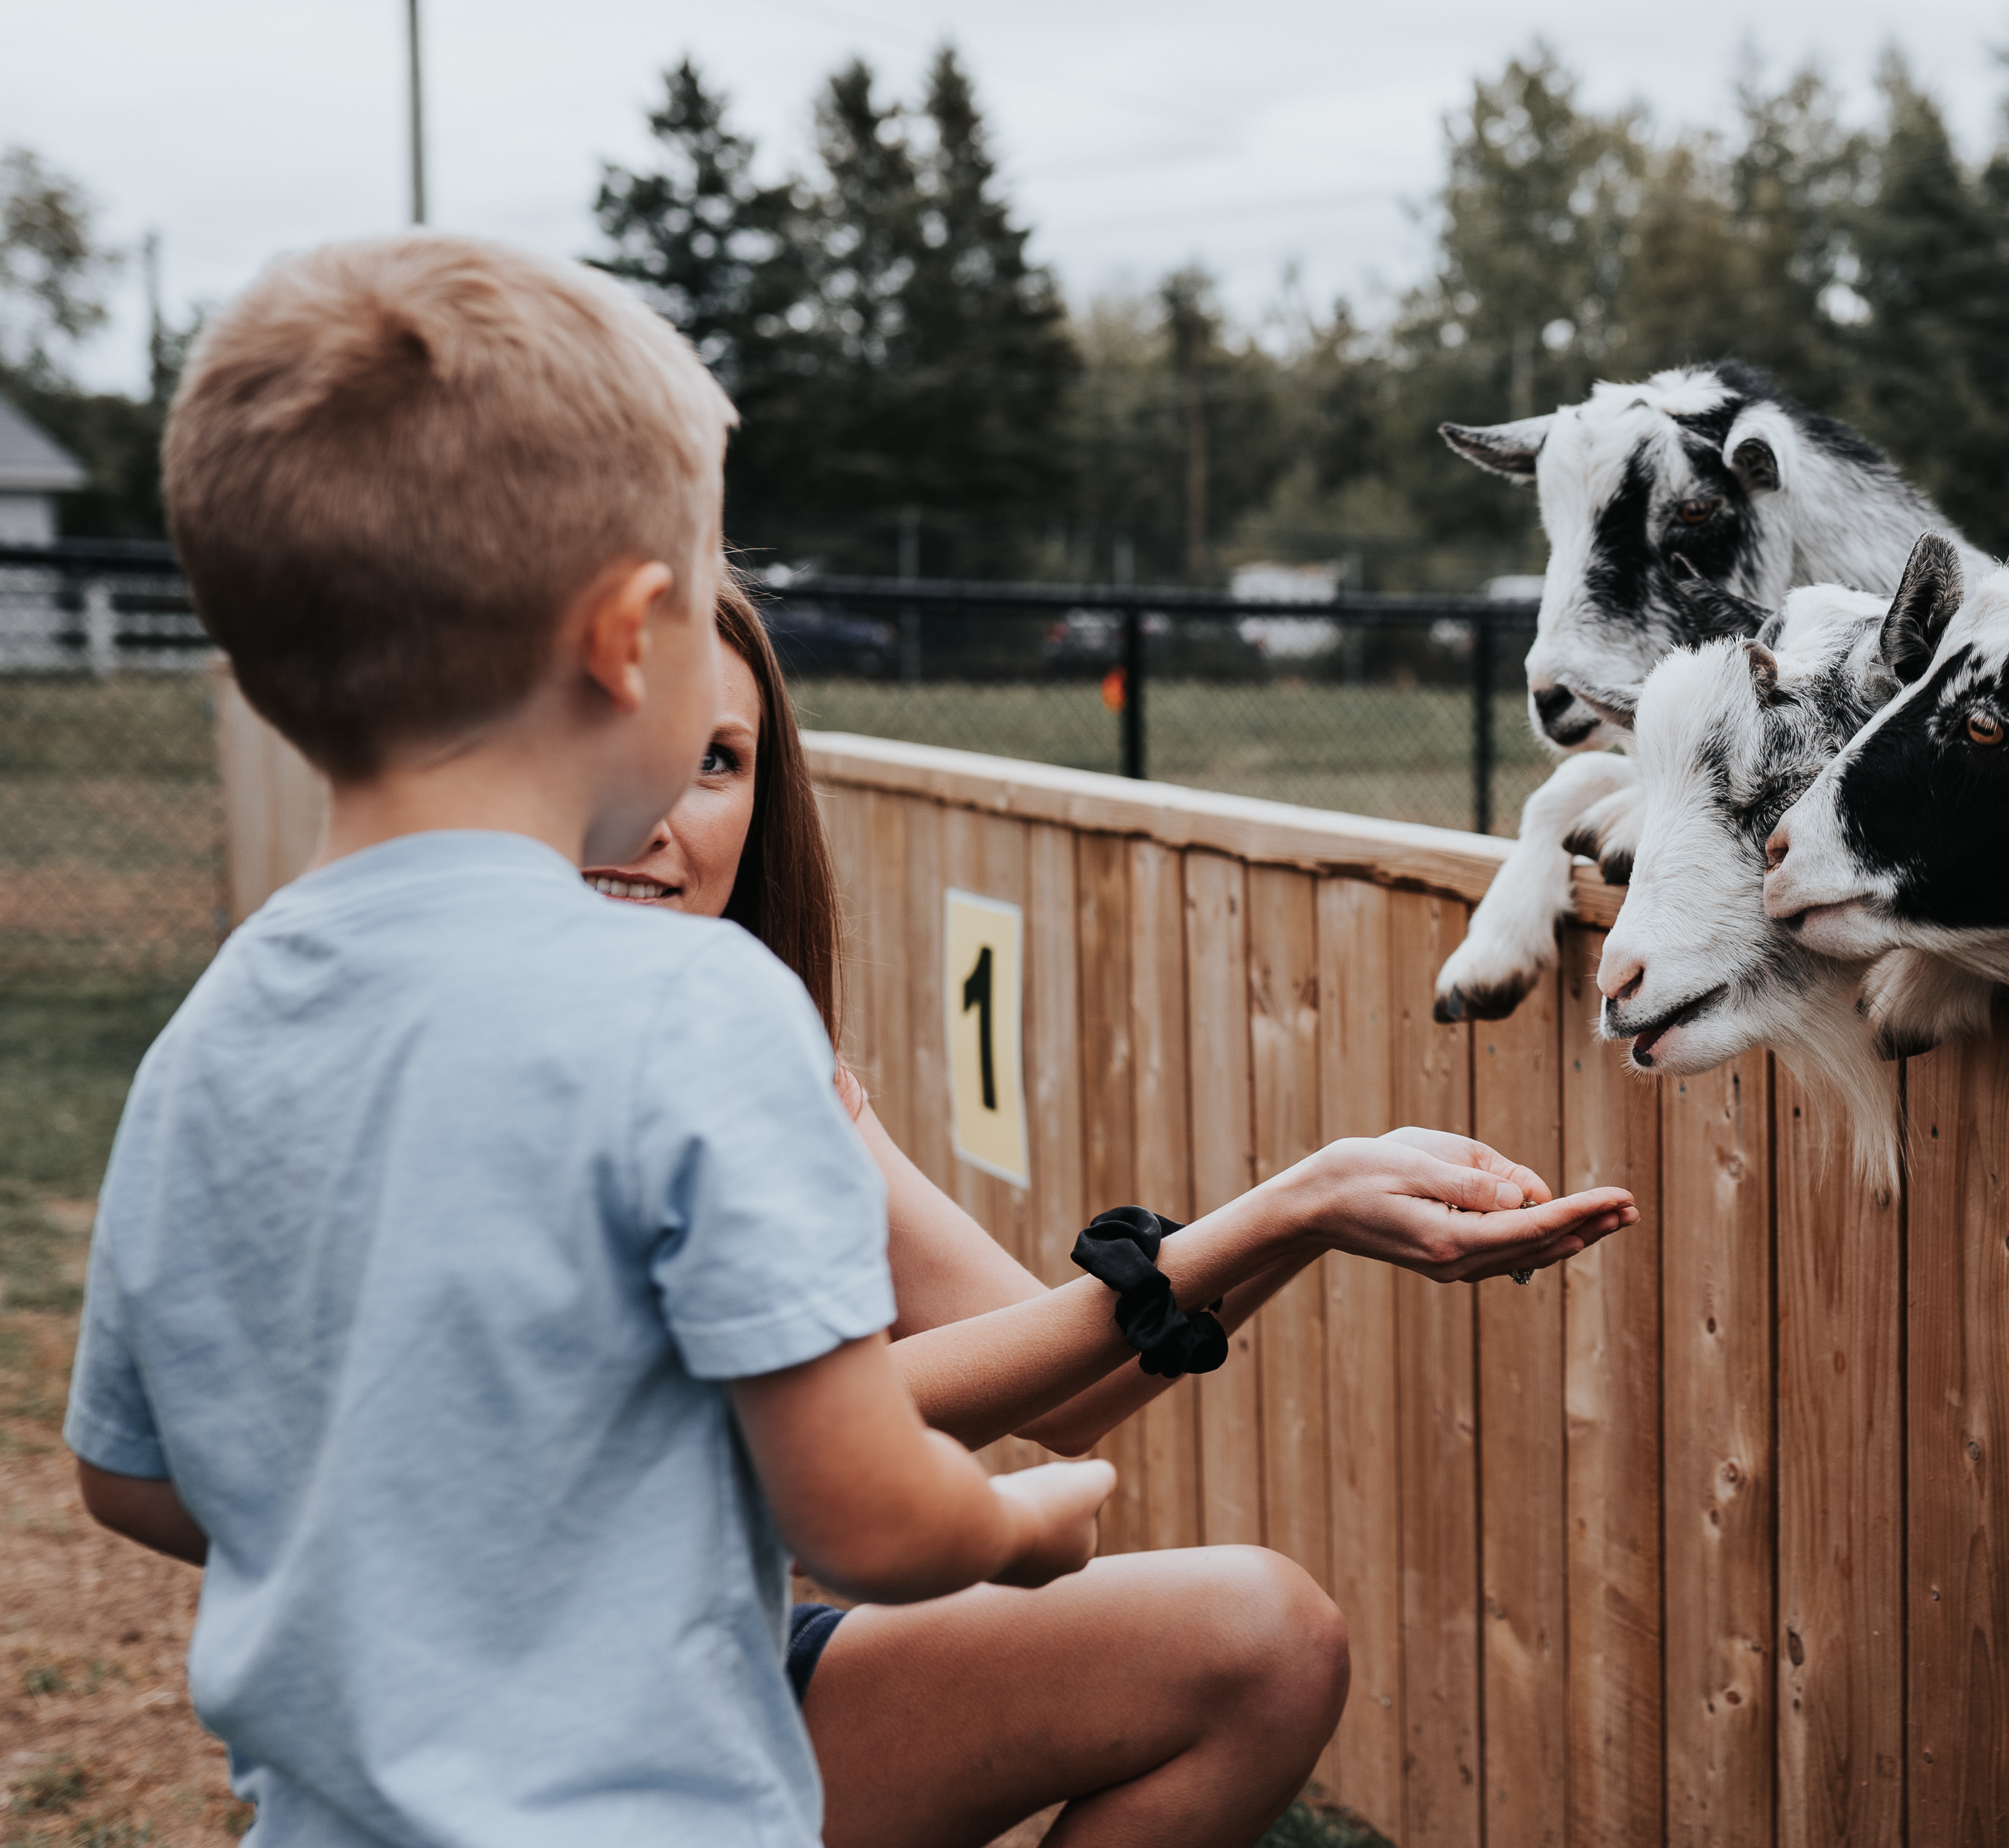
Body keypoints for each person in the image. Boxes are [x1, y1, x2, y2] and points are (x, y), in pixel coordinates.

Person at [63, 234, 1631, 1848]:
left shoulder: (219, 1025)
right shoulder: (688, 1013)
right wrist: (1013, 1523)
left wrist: (429, 1521)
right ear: (626, 636)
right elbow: (863, 1506)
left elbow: (128, 1472)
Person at [580, 578, 1623, 1843]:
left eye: (712, 760)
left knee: (1264, 1638)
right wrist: (1271, 1216)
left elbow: (1067, 1388)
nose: (649, 811)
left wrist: (1310, 1206)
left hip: (732, 1671)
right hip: (526, 1743)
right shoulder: (473, 1065)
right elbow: (776, 1421)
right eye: (607, 741)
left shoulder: (772, 1057)